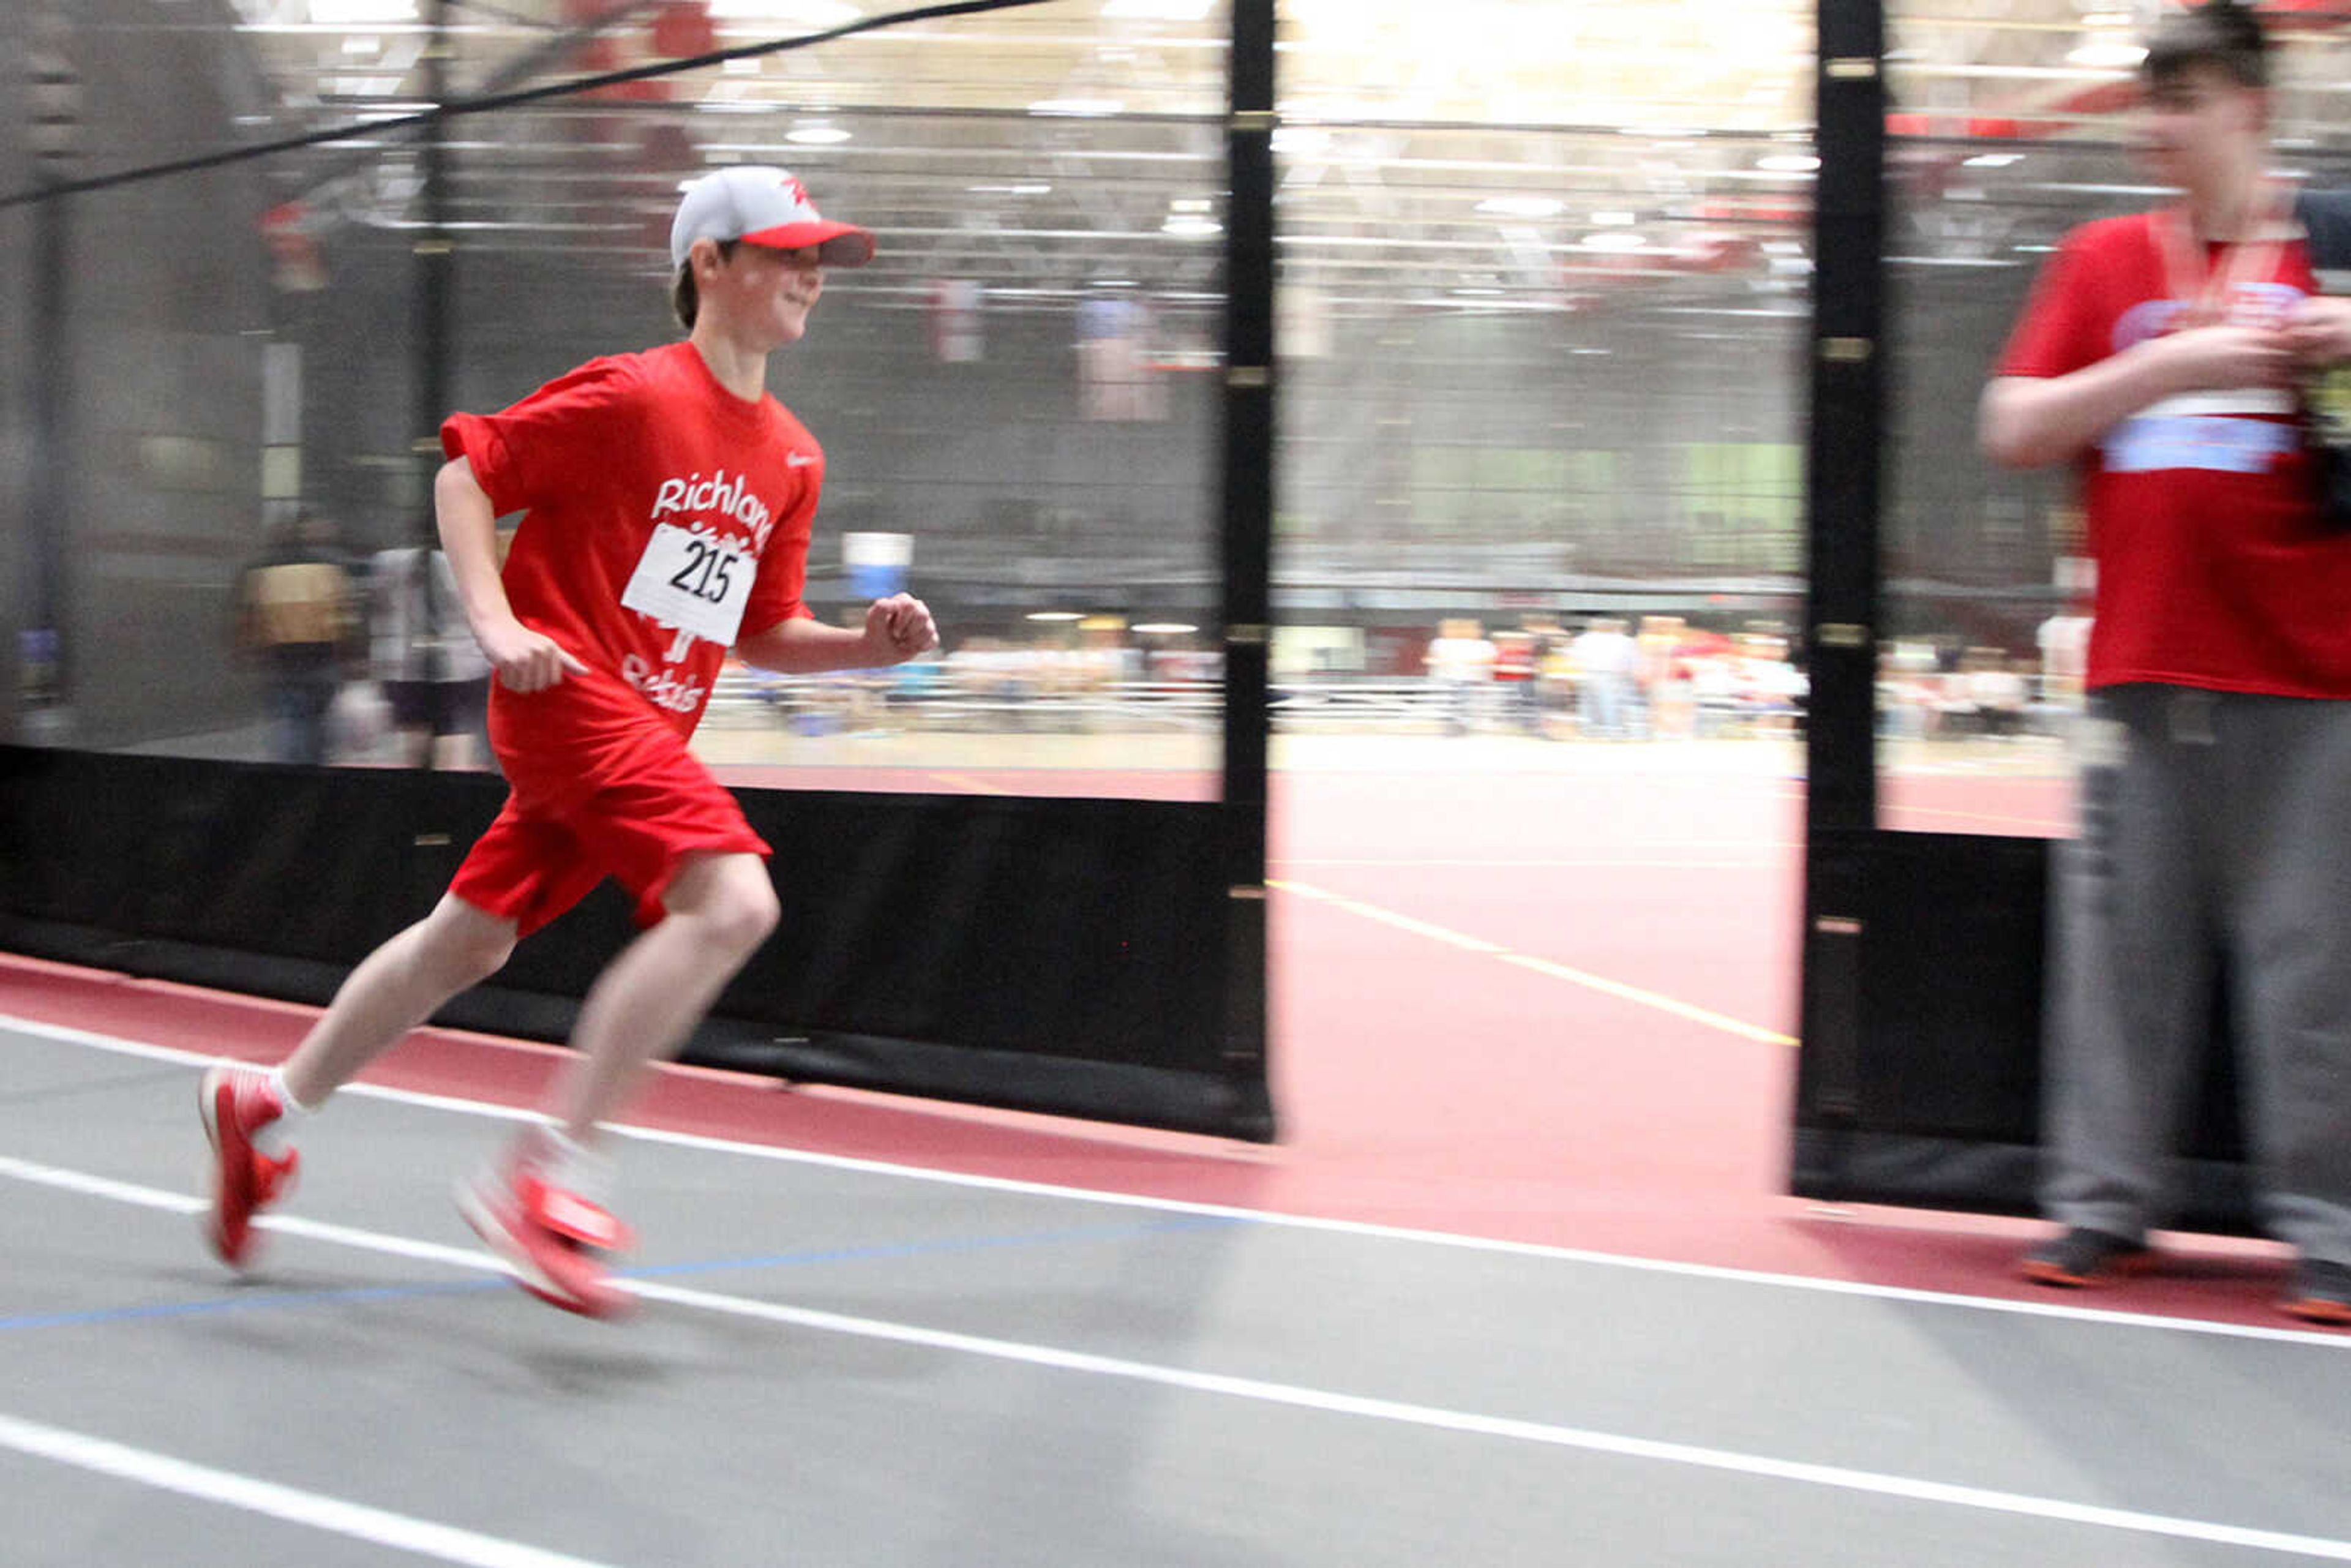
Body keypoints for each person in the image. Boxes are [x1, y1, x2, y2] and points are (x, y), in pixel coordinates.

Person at [197, 166, 936, 1318]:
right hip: (567, 695)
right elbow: (466, 474)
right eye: (788, 252)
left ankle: (264, 1105)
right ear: (711, 263)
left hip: (640, 722)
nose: (810, 275)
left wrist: (864, 650)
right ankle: (550, 1172)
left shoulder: (793, 457)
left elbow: (758, 631)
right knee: (736, 902)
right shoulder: (635, 396)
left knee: (467, 944)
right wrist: (494, 625)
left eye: (818, 260)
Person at [1979, 0, 2351, 1325]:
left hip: (2312, 674)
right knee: (2119, 964)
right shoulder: (2099, 260)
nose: (2156, 128)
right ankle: (2102, 1206)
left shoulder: (2340, 243)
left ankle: (2332, 1236)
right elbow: (2014, 424)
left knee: (2317, 971)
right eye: (2148, 101)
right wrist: (2168, 365)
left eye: (2182, 100)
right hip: (2140, 671)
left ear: (2250, 102)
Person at [233, 512, 361, 765]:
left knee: (287, 722)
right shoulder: (327, 567)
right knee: (319, 725)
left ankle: (289, 771)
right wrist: (352, 655)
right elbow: (344, 614)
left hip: (278, 662)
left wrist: (243, 650)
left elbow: (247, 616)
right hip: (322, 660)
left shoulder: (260, 569)